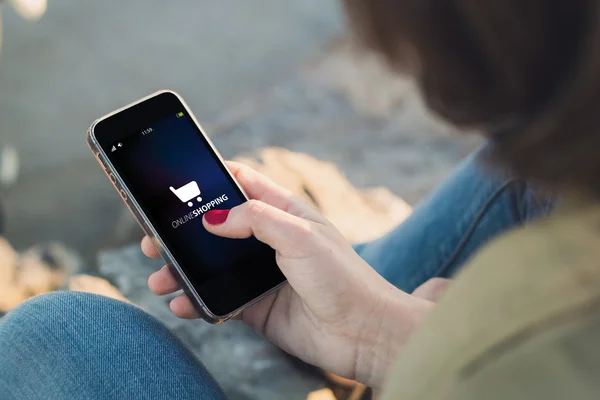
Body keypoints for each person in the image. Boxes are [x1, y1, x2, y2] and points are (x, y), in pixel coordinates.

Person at [1, 1, 597, 399]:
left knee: (56, 330)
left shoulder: (513, 362)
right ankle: (356, 284)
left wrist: (435, 353)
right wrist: (383, 334)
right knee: (518, 168)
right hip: (407, 338)